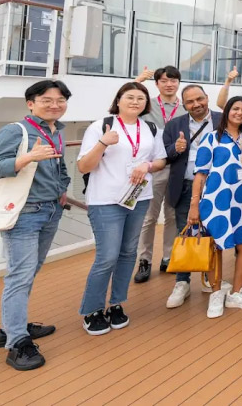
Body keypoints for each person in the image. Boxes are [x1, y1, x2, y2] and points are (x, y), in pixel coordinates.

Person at [0, 79, 73, 371]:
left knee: (29, 271)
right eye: (47, 100)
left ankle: (11, 327)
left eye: (60, 100)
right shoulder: (15, 131)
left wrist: (62, 188)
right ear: (31, 103)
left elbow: (59, 165)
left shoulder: (56, 131)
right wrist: (28, 158)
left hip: (50, 210)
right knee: (20, 276)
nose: (55, 105)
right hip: (24, 213)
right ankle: (17, 343)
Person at [76, 82, 168, 336]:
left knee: (128, 253)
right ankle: (92, 310)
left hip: (139, 198)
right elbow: (84, 166)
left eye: (141, 98)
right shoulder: (101, 126)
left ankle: (116, 304)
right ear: (118, 100)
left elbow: (161, 160)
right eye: (130, 97)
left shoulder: (150, 128)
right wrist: (103, 143)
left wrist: (147, 166)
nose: (135, 102)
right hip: (105, 200)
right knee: (107, 256)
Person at [187, 96, 242, 317]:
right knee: (215, 246)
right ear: (227, 111)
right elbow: (200, 174)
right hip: (219, 200)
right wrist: (194, 204)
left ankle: (236, 292)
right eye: (236, 108)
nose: (240, 113)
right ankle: (216, 293)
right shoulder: (211, 138)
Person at [162, 85, 221, 309]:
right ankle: (182, 282)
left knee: (214, 232)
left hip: (218, 187)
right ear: (184, 104)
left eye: (199, 99)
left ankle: (210, 276)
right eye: (190, 101)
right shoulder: (174, 125)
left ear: (207, 98)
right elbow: (164, 155)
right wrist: (175, 149)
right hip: (186, 186)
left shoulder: (222, 119)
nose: (196, 104)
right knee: (184, 233)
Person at [133, 66, 186, 283]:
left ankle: (168, 257)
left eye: (173, 80)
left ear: (178, 83)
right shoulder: (147, 105)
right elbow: (127, 100)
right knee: (149, 217)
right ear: (156, 84)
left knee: (172, 215)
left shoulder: (185, 108)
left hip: (177, 167)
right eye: (164, 80)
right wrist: (138, 80)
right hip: (153, 167)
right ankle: (144, 260)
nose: (169, 84)